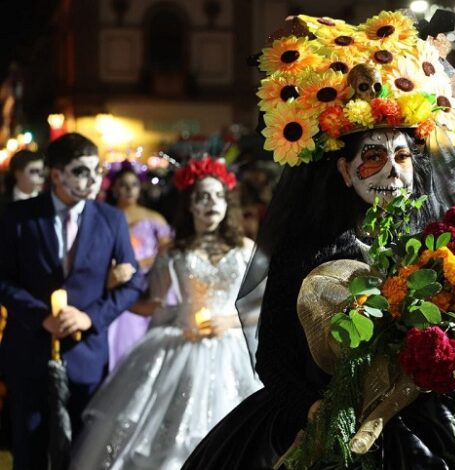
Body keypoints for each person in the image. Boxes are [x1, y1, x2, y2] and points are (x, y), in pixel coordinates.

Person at [183, 11, 455, 470]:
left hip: (427, 425)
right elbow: (274, 357)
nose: (393, 171)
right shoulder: (306, 250)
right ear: (344, 170)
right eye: (372, 158)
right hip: (327, 423)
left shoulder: (435, 244)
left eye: (401, 156)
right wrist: (318, 413)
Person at [69, 158, 261, 469]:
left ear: (228, 202)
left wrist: (230, 320)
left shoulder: (245, 249)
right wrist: (109, 291)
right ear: (189, 205)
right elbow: (151, 301)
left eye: (218, 195)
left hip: (232, 349)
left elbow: (262, 306)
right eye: (202, 196)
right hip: (180, 344)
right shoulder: (174, 251)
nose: (211, 203)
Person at [0, 133, 143, 469]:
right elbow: (2, 279)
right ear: (56, 175)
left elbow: (133, 282)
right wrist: (40, 316)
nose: (93, 180)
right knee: (29, 451)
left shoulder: (111, 218)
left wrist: (89, 317)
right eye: (81, 171)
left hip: (85, 354)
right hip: (28, 350)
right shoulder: (19, 216)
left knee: (82, 453)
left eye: (98, 170)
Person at [104, 161, 171, 370]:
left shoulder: (153, 218)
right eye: (123, 184)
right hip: (114, 284)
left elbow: (167, 251)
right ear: (114, 188)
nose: (129, 189)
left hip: (147, 284)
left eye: (133, 184)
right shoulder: (105, 216)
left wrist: (145, 264)